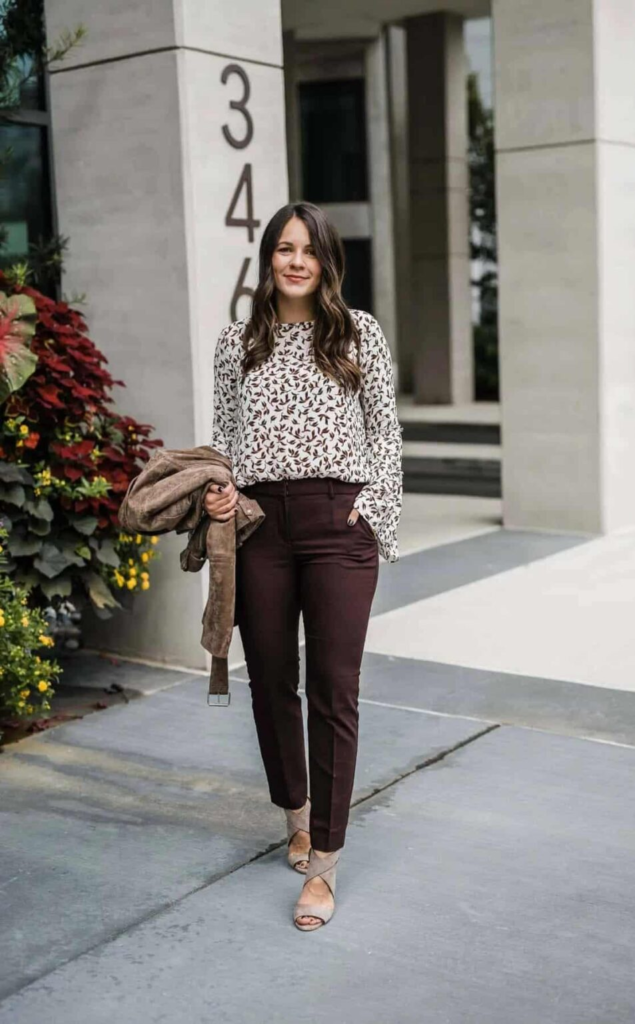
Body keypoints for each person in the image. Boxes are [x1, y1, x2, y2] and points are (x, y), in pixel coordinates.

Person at [205, 201, 403, 931]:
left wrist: (373, 511)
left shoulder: (358, 333)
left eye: (307, 250)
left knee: (332, 690)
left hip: (336, 524)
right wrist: (220, 489)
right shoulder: (237, 343)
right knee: (269, 682)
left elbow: (386, 430)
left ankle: (323, 864)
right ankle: (296, 813)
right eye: (283, 248)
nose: (294, 261)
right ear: (268, 259)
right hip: (259, 526)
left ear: (325, 260)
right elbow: (224, 433)